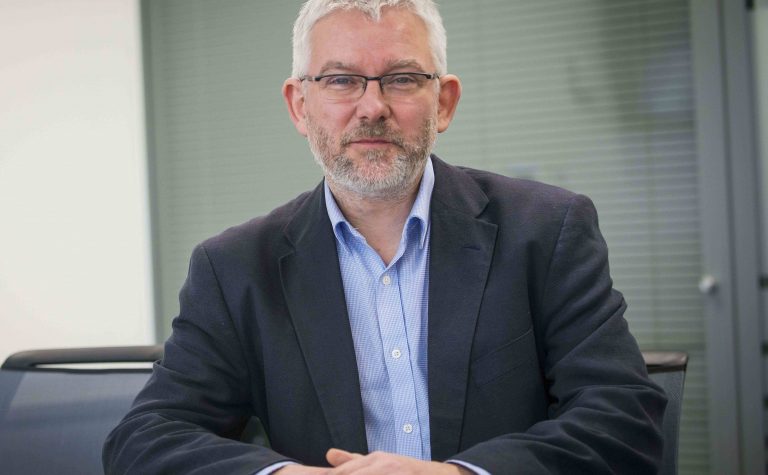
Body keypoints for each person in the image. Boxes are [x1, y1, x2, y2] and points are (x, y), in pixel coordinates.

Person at [103, 1, 666, 473]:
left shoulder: (545, 231)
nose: (372, 107)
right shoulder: (234, 268)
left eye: (400, 78)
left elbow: (622, 417)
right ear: (300, 106)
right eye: (341, 80)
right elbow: (146, 438)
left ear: (443, 102)